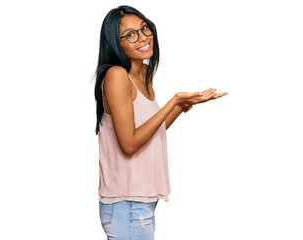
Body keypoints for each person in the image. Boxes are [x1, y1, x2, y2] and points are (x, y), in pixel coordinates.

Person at [94, 5, 228, 240]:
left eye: (144, 28)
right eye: (131, 34)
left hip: (141, 201)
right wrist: (174, 100)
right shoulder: (117, 75)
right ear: (116, 43)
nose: (143, 37)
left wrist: (184, 106)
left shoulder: (143, 74)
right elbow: (129, 144)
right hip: (127, 203)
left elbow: (151, 130)